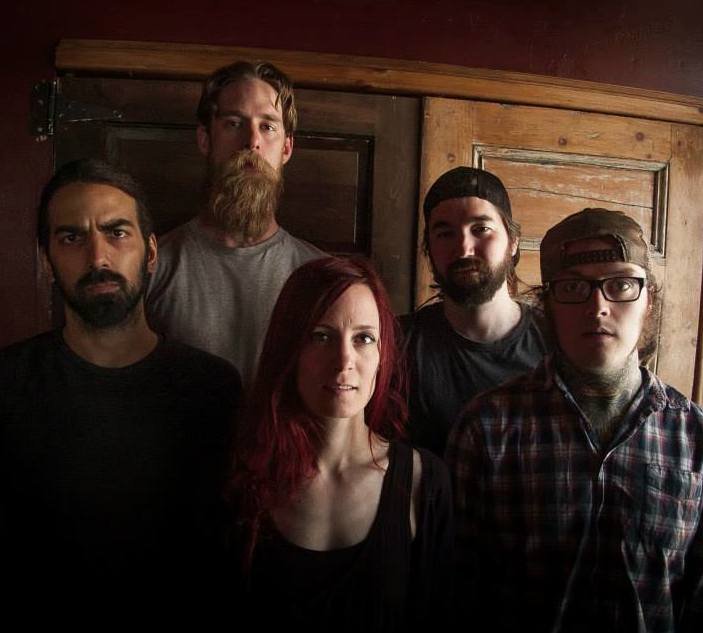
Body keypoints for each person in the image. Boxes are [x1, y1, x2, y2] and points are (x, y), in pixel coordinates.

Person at [446, 208, 703, 632]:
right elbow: (459, 594)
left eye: (621, 284)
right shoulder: (487, 429)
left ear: (649, 301)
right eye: (572, 287)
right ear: (547, 305)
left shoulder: (693, 437)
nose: (597, 307)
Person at [0, 159, 241, 603]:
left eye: (116, 232)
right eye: (71, 237)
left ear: (150, 253)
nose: (98, 258)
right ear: (47, 261)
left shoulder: (214, 389)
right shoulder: (9, 384)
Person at [229, 257, 453, 631]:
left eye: (363, 338)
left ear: (382, 355)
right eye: (321, 336)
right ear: (289, 350)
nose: (343, 361)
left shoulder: (424, 482)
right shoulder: (240, 475)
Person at [146, 60, 323, 387]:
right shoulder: (154, 269)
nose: (252, 141)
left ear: (286, 148)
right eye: (233, 123)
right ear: (205, 139)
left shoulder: (320, 276)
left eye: (267, 126)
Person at [402, 166, 549, 455]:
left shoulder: (557, 341)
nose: (464, 249)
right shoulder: (397, 343)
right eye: (445, 234)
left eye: (481, 229)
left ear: (513, 242)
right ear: (429, 249)